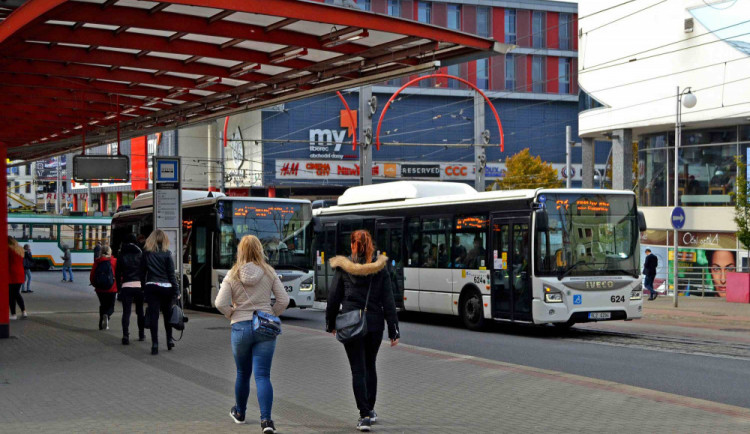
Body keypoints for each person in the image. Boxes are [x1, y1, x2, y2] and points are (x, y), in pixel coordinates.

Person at [326, 230, 400, 432]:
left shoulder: (343, 267)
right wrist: (393, 329)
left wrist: (330, 323)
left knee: (357, 369)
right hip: (375, 324)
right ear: (370, 246)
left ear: (352, 245)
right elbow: (388, 299)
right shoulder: (380, 268)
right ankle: (371, 409)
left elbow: (333, 297)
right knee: (370, 365)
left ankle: (364, 415)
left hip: (351, 323)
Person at [215, 235, 290, 433]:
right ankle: (266, 421)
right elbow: (283, 300)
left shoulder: (233, 274)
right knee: (263, 375)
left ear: (240, 251)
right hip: (264, 327)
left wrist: (233, 313)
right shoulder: (269, 272)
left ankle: (240, 413)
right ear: (259, 250)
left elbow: (220, 303)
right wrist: (270, 313)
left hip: (240, 327)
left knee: (242, 373)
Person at [140, 229, 180, 355]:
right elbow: (171, 275)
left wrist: (143, 287)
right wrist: (176, 290)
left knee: (154, 316)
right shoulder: (167, 254)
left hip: (151, 287)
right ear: (164, 240)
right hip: (166, 288)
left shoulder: (146, 254)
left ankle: (155, 344)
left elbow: (142, 273)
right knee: (167, 315)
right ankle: (169, 340)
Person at [116, 233, 145, 345]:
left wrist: (119, 288)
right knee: (140, 311)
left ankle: (125, 335)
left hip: (126, 285)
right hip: (138, 286)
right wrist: (143, 285)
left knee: (126, 312)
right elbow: (143, 271)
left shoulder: (121, 254)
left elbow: (118, 273)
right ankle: (141, 334)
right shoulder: (140, 253)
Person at [91, 245, 117, 330]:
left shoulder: (97, 261)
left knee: (103, 305)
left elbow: (92, 275)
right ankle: (107, 315)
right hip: (112, 288)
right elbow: (119, 275)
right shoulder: (114, 261)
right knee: (111, 307)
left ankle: (101, 324)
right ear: (110, 252)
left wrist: (95, 285)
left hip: (100, 289)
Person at [8, 237, 28, 320]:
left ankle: (13, 314)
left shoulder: (8, 249)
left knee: (11, 295)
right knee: (16, 293)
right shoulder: (20, 249)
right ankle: (23, 311)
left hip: (11, 274)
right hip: (20, 273)